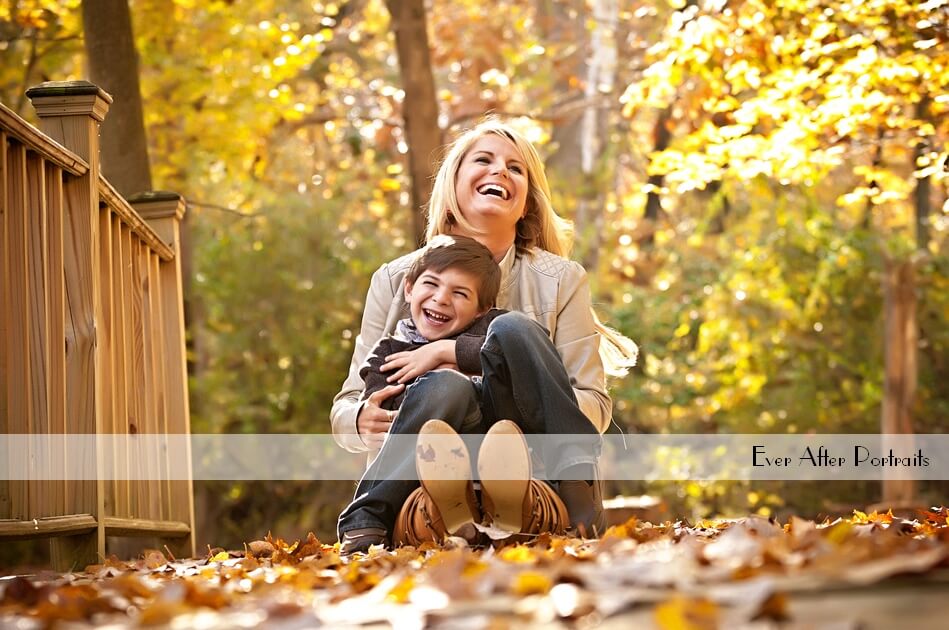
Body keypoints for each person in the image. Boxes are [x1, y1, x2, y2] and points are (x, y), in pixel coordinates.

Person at [332, 118, 638, 555]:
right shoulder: (396, 279)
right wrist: (360, 420)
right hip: (427, 478)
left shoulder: (559, 280)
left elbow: (595, 405)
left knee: (511, 329)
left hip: (533, 470)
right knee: (442, 386)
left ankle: (567, 485)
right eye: (484, 160)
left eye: (515, 168)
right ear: (454, 182)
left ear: (527, 202)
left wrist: (462, 354)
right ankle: (377, 514)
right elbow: (346, 407)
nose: (499, 171)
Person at [360, 234, 505, 411]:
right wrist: (434, 381)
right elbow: (382, 413)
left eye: (460, 293)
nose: (441, 298)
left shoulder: (493, 326)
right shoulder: (387, 353)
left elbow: (522, 352)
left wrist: (446, 352)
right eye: (431, 283)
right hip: (424, 434)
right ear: (409, 289)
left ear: (481, 309)